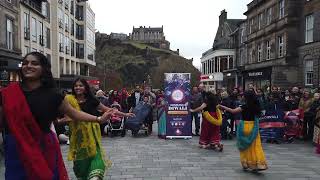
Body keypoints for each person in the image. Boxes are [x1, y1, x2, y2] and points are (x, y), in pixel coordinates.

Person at [0, 52, 114, 180]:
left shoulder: (53, 95)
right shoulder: (8, 93)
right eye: (25, 63)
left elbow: (74, 113)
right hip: (16, 150)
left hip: (43, 148)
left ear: (43, 68)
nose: (28, 66)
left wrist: (99, 119)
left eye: (34, 63)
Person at [66, 78, 135, 180]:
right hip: (77, 136)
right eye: (76, 86)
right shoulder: (68, 100)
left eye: (80, 85)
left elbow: (108, 110)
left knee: (96, 155)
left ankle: (95, 176)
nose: (78, 87)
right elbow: (65, 117)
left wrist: (124, 114)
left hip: (92, 134)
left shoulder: (91, 100)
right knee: (80, 163)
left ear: (85, 87)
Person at [219, 90, 268, 171]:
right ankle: (259, 164)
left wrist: (222, 107)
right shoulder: (257, 107)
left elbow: (233, 111)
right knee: (256, 146)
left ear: (246, 97)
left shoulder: (244, 106)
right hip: (254, 127)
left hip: (244, 127)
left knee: (244, 146)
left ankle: (245, 163)